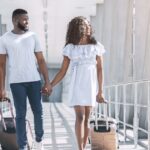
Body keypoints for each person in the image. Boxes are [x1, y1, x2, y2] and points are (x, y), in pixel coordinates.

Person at [50, 16, 106, 150]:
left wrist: (100, 91)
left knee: (87, 118)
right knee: (80, 117)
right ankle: (80, 148)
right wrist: (51, 85)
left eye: (88, 25)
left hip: (90, 85)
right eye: (84, 26)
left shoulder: (96, 46)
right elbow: (63, 71)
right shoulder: (70, 48)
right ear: (77, 29)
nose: (87, 28)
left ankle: (84, 146)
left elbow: (100, 69)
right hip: (77, 84)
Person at [0, 9, 52, 150]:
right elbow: (2, 65)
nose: (27, 22)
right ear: (15, 20)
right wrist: (1, 88)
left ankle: (39, 140)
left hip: (34, 81)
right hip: (16, 83)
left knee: (38, 111)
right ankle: (22, 146)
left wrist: (47, 81)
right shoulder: (4, 39)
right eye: (24, 19)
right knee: (20, 115)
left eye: (28, 19)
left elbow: (41, 60)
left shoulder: (33, 36)